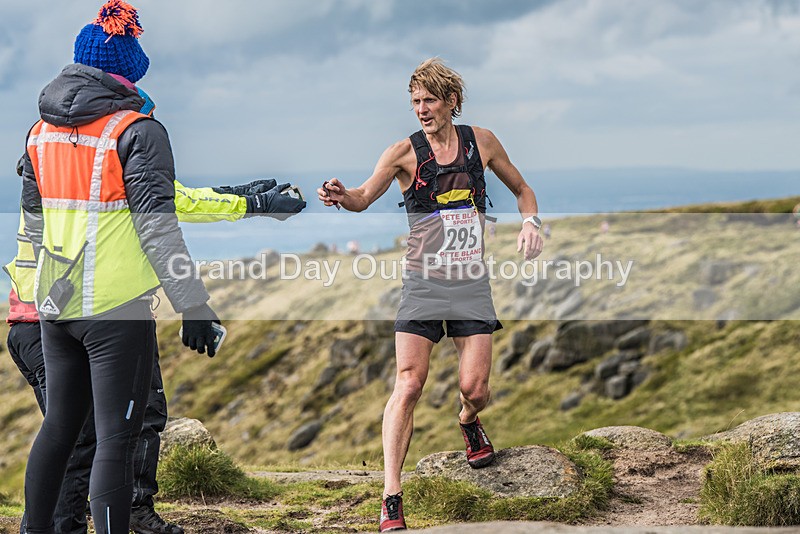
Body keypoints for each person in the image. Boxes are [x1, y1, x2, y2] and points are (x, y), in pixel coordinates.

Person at [15, 2, 291, 533]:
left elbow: (32, 227)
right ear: (124, 75)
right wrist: (194, 304)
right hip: (116, 311)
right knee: (117, 441)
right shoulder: (138, 130)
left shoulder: (39, 133)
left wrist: (33, 294)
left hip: (52, 305)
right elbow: (157, 226)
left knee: (59, 429)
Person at [6, 160, 302, 534]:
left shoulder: (55, 159)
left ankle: (116, 514)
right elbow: (170, 203)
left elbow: (172, 197)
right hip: (83, 317)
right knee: (91, 437)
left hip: (34, 321)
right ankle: (114, 516)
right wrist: (253, 203)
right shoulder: (108, 160)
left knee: (87, 431)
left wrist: (240, 195)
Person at [317, 58, 543, 531]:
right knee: (409, 383)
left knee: (475, 389)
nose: (421, 109)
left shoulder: (482, 143)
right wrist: (341, 194)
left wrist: (530, 223)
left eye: (430, 100)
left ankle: (467, 419)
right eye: (415, 101)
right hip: (422, 283)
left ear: (451, 102)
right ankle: (391, 496)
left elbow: (522, 189)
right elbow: (362, 197)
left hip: (470, 284)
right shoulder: (402, 153)